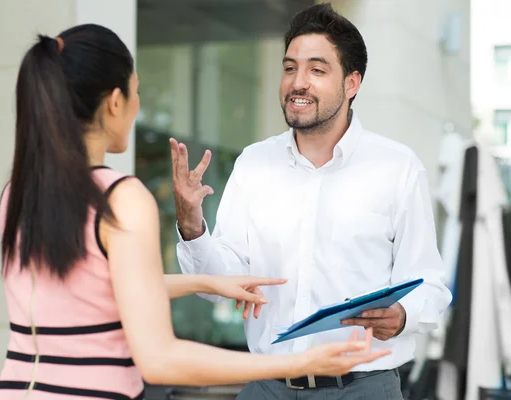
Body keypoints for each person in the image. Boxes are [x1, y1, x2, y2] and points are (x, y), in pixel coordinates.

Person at [0, 23, 389, 400]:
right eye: (136, 92)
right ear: (115, 102)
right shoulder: (120, 198)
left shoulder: (19, 193)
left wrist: (209, 284)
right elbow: (160, 359)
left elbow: (92, 290)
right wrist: (299, 361)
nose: (137, 105)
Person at [171, 3, 453, 399]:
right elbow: (220, 284)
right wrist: (190, 223)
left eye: (317, 70)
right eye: (290, 68)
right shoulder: (254, 163)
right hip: (267, 385)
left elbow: (431, 286)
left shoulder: (397, 168)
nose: (298, 82)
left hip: (362, 388)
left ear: (352, 83)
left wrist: (404, 315)